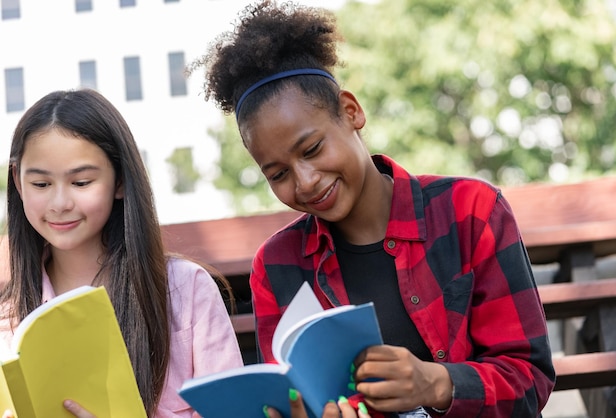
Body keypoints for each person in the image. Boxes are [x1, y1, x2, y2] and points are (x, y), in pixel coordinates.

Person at [194, 1, 556, 417]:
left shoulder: (471, 212)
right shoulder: (278, 265)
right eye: (278, 174)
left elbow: (530, 378)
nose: (305, 181)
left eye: (312, 149)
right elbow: (292, 396)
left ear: (351, 112)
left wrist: (436, 383)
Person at [0, 89, 244, 417]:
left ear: (119, 181)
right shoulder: (8, 321)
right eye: (41, 185)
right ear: (17, 181)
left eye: (81, 182)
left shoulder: (186, 291)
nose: (60, 204)